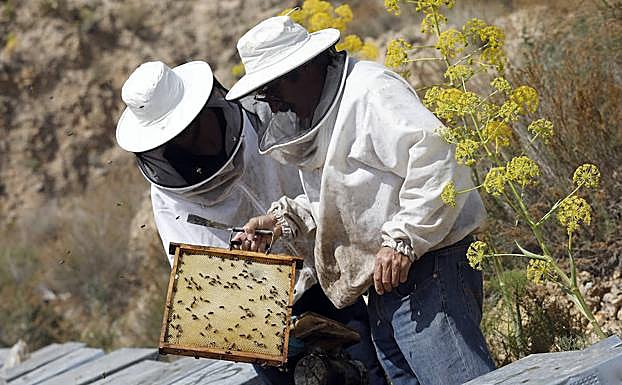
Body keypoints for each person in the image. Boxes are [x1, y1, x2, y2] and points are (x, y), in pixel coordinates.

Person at [227, 16, 496, 385]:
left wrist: (404, 239)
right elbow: (347, 202)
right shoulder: (324, 116)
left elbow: (434, 154)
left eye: (272, 89)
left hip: (429, 265)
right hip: (385, 281)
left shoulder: (369, 91)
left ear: (301, 71)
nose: (271, 103)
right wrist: (281, 223)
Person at [115, 60, 387, 385]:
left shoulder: (264, 121)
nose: (194, 145)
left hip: (335, 270)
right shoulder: (168, 198)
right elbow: (206, 287)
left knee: (375, 370)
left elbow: (318, 186)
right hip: (265, 316)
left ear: (206, 110)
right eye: (179, 142)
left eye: (194, 132)